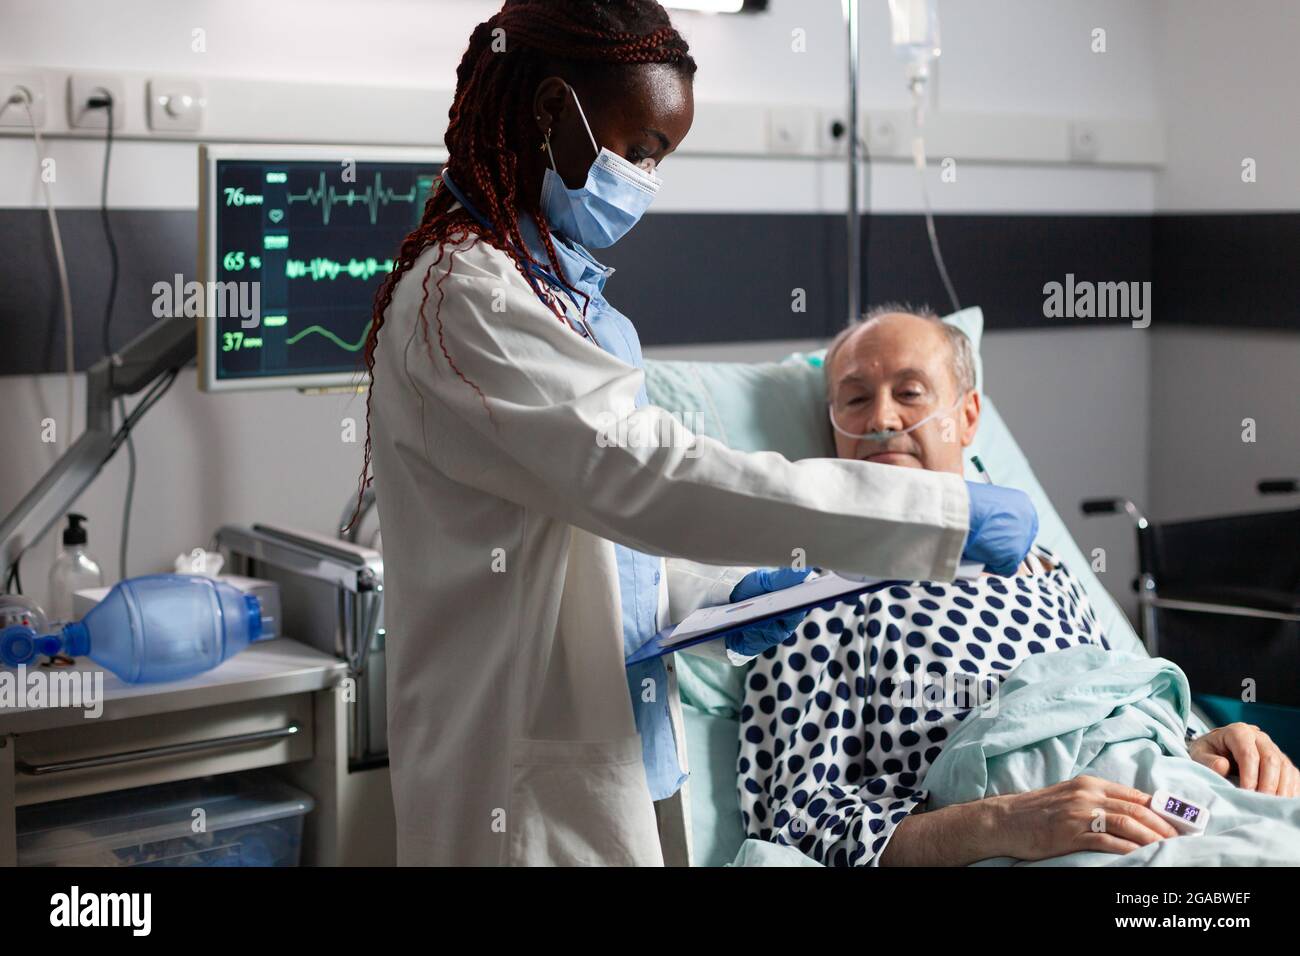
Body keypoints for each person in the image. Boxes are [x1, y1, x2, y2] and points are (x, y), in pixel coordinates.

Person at [351, 1, 1037, 867]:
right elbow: (645, 478)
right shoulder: (469, 297)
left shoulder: (555, 291)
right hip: (514, 787)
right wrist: (935, 509)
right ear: (552, 115)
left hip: (613, 750)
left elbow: (598, 535)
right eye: (638, 150)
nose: (645, 179)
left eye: (659, 159)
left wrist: (715, 595)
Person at [737, 306, 1300, 867]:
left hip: (1159, 800)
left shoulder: (1044, 567)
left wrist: (1201, 749)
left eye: (910, 392)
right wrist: (1004, 821)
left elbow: (1104, 713)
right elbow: (795, 823)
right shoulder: (813, 594)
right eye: (856, 399)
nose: (883, 418)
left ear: (968, 416)